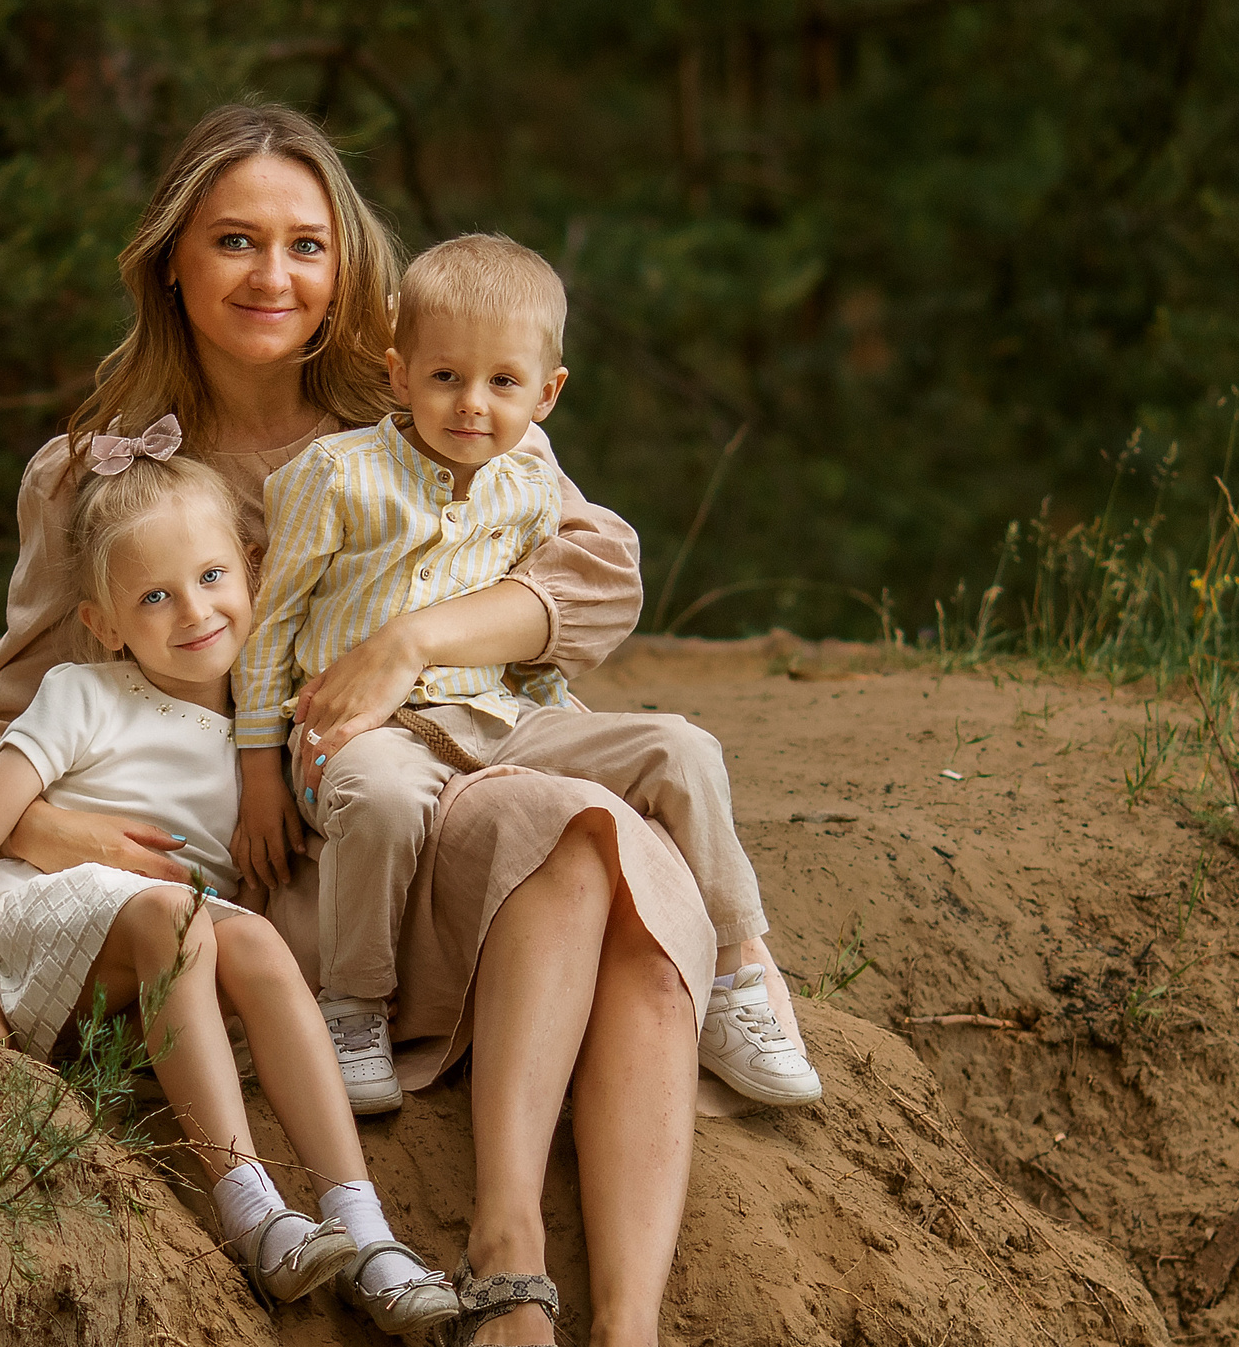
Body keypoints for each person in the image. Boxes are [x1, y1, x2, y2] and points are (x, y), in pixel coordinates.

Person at [0, 101, 759, 1347]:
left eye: (305, 245)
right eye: (235, 241)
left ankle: (624, 1337)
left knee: (617, 845)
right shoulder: (96, 474)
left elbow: (600, 574)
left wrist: (415, 639)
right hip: (292, 875)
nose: (272, 275)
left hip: (432, 799)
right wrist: (48, 824)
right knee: (569, 834)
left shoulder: (418, 422)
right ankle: (506, 1269)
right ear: (173, 264)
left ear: (344, 267)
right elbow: (1, 731)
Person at [231, 233, 821, 1117]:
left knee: (683, 746)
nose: (472, 405)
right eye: (444, 378)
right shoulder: (335, 475)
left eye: (503, 383)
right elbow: (272, 621)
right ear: (398, 374)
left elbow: (581, 596)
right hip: (375, 733)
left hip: (512, 716)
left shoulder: (534, 482)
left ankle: (738, 978)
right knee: (380, 801)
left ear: (547, 393)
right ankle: (354, 1007)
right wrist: (258, 769)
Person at [0, 446, 459, 1334]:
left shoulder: (277, 722)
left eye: (211, 576)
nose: (195, 610)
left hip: (152, 976)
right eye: (155, 596)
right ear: (104, 620)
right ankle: (251, 1209)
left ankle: (363, 1228)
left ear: (252, 572)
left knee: (255, 942)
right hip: (23, 948)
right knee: (183, 916)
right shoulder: (83, 694)